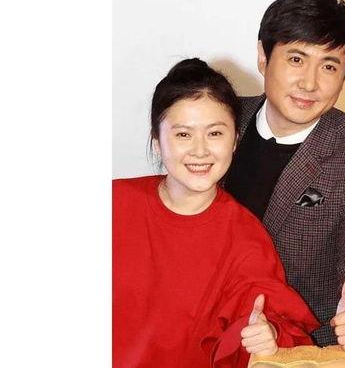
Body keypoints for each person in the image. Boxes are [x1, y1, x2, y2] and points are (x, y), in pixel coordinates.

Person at [113, 58, 319, 368]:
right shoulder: (115, 203)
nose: (200, 151)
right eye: (183, 135)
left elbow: (280, 327)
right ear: (157, 141)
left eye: (215, 134)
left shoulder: (245, 239)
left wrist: (270, 335)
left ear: (235, 140)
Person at [224, 0, 345, 350]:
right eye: (296, 59)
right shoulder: (221, 119)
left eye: (329, 66)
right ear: (263, 56)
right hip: (204, 324)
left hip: (298, 345)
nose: (310, 83)